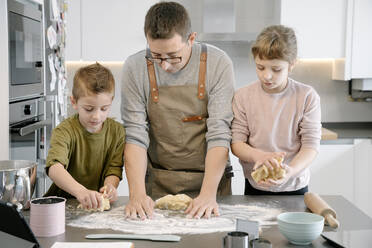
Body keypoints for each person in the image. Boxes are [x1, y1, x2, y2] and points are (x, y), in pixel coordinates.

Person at [121, 1, 235, 220]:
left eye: (173, 56)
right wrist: (136, 194)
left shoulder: (218, 63)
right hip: (158, 182)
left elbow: (219, 133)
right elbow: (135, 135)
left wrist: (208, 194)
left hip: (211, 183)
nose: (164, 65)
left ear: (191, 39)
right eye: (156, 56)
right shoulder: (135, 67)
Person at [231, 25, 321, 195]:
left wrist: (291, 171)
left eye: (276, 69)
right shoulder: (243, 96)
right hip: (255, 185)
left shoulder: (307, 96)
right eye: (260, 67)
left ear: (292, 64)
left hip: (295, 185)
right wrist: (258, 156)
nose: (266, 76)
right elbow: (237, 143)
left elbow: (310, 146)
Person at [45, 63, 126, 210]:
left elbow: (114, 169)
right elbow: (54, 167)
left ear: (111, 101)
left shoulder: (117, 132)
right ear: (74, 102)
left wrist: (110, 187)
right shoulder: (64, 131)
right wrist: (80, 191)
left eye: (104, 108)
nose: (96, 116)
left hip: (97, 204)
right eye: (89, 109)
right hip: (63, 204)